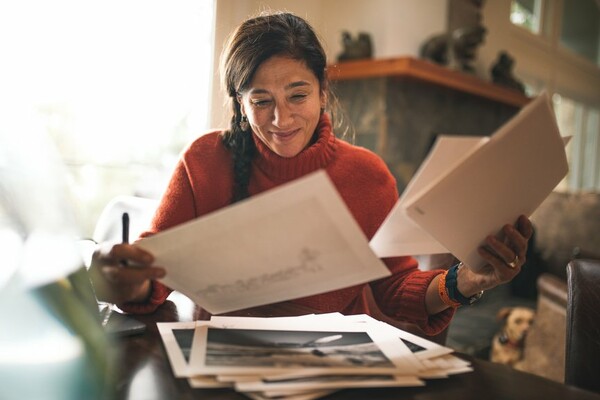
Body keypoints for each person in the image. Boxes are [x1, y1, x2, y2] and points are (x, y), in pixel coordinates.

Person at [89, 11, 533, 336]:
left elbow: (395, 289)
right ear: (240, 105)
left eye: (297, 95)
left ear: (323, 90)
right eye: (261, 101)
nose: (280, 119)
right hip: (227, 358)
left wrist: (466, 282)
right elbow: (154, 274)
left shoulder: (367, 175)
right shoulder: (204, 161)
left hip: (336, 357)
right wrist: (122, 278)